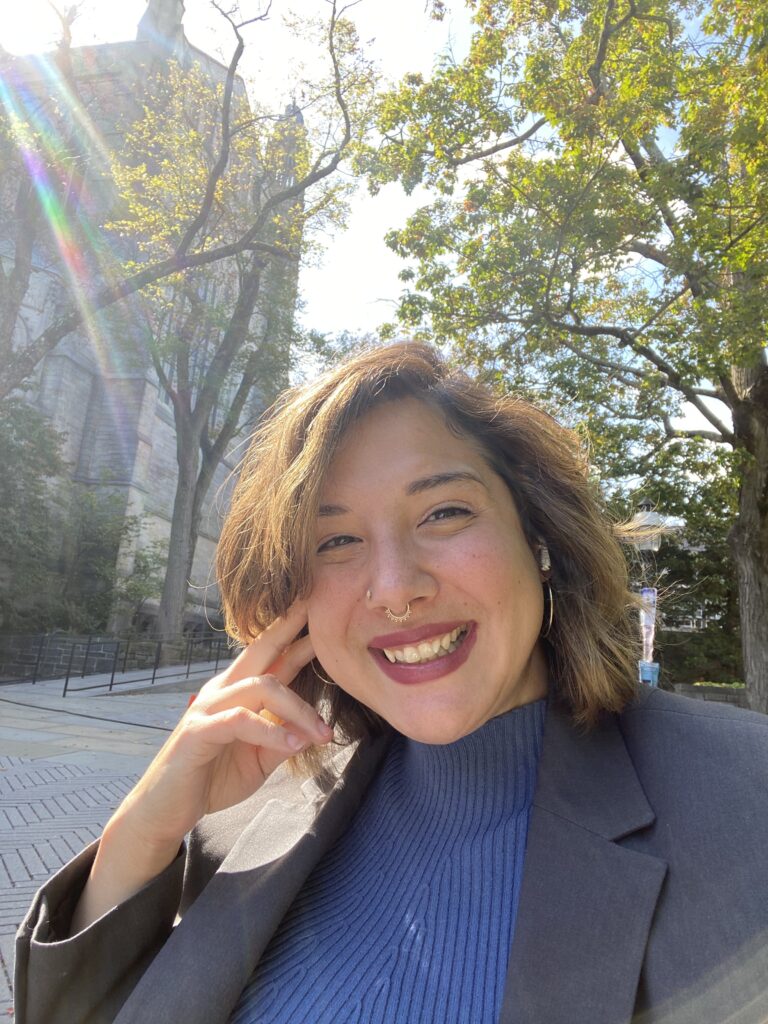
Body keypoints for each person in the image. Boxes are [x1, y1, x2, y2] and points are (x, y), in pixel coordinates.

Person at [15, 343, 768, 1024]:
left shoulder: (746, 801)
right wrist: (142, 832)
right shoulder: (241, 818)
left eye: (444, 513)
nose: (396, 588)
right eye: (335, 540)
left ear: (538, 536)